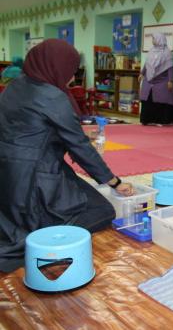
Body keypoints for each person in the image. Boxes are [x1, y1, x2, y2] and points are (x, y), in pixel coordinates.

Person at [0, 39, 134, 273]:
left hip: (6, 178)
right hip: (34, 179)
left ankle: (31, 228)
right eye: (71, 72)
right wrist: (115, 182)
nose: (72, 79)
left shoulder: (14, 86)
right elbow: (80, 148)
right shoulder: (52, 96)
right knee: (102, 211)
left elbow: (29, 130)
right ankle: (41, 242)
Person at [139, 32, 173, 126]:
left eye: (154, 39)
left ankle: (161, 121)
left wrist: (170, 80)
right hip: (149, 80)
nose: (152, 41)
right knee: (148, 99)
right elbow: (146, 64)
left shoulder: (167, 53)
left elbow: (170, 67)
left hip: (162, 81)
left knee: (162, 100)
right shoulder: (151, 51)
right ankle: (147, 120)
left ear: (159, 39)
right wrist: (142, 73)